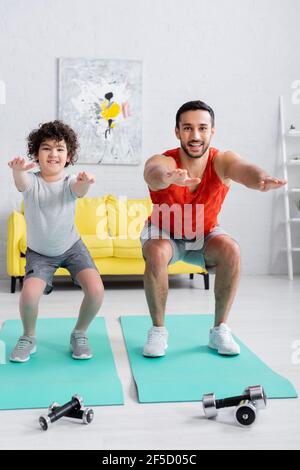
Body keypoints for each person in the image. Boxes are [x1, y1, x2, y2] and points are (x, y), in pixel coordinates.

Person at [141, 100, 286, 357]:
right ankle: (158, 331)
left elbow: (243, 169)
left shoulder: (221, 160)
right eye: (187, 128)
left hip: (205, 233)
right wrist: (167, 177)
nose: (195, 136)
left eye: (202, 128)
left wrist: (260, 178)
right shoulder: (165, 160)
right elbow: (153, 171)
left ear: (212, 131)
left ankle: (220, 330)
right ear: (177, 132)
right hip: (164, 233)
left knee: (231, 249)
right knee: (156, 252)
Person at [8, 120, 104, 362]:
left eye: (60, 149)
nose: (53, 154)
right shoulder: (32, 181)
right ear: (36, 153)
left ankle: (79, 333)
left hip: (72, 247)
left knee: (96, 291)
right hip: (40, 253)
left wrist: (85, 181)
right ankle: (28, 336)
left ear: (68, 156)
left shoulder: (69, 181)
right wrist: (18, 170)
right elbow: (21, 183)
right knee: (29, 295)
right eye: (47, 148)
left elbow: (79, 190)